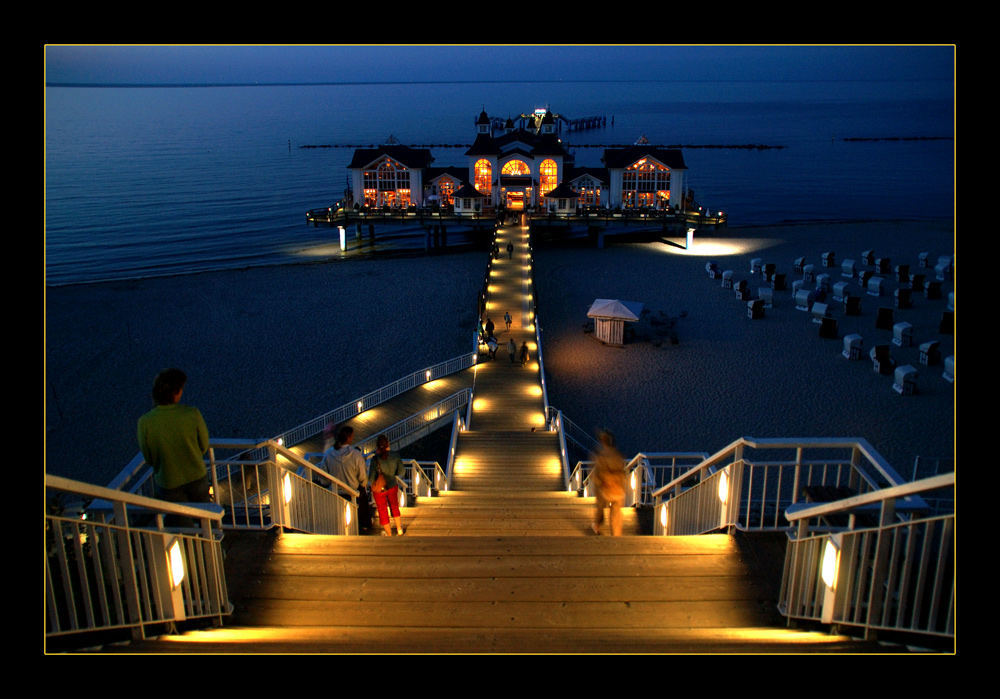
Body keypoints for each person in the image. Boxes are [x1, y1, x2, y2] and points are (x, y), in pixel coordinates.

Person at [137, 368, 211, 506]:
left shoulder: (145, 422)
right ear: (176, 393)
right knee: (206, 515)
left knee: (180, 521)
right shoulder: (192, 414)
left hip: (168, 481)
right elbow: (204, 445)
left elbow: (149, 457)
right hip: (196, 475)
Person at [319, 424, 372, 533]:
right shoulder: (356, 455)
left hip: (334, 493)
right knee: (363, 498)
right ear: (349, 438)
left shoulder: (329, 454)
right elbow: (362, 477)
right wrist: (363, 485)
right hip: (352, 492)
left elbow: (323, 477)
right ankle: (364, 526)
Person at [590, 430, 626, 536]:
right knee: (616, 512)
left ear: (602, 442)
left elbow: (597, 475)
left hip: (605, 488)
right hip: (618, 489)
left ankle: (597, 524)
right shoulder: (618, 455)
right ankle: (616, 534)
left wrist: (598, 483)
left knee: (600, 505)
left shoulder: (600, 455)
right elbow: (622, 472)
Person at [369, 435, 406, 536]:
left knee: (382, 511)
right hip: (392, 485)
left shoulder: (375, 459)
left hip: (379, 489)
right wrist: (393, 474)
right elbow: (402, 472)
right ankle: (399, 529)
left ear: (377, 446)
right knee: (394, 506)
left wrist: (370, 485)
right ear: (388, 444)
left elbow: (371, 477)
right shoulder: (395, 456)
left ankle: (389, 534)